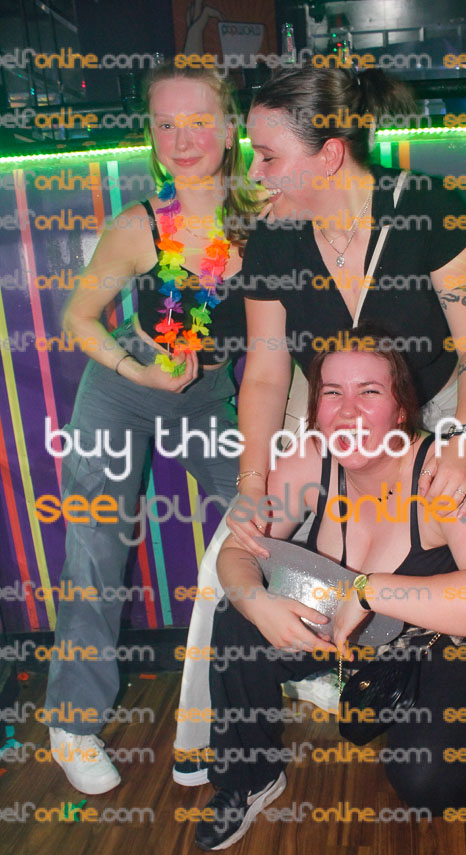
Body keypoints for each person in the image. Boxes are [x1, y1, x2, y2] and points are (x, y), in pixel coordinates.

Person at [224, 62, 466, 781]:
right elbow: (264, 372)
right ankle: (218, 751)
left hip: (440, 407)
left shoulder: (433, 207)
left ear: (329, 154)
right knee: (225, 562)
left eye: (269, 156)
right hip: (328, 408)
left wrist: (465, 441)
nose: (254, 173)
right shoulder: (274, 238)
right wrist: (252, 480)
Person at [193, 333, 466, 851]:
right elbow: (238, 550)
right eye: (332, 393)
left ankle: (445, 727)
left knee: (433, 783)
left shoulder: (443, 475)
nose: (347, 411)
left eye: (369, 392)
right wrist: (257, 604)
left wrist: (371, 589)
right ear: (315, 407)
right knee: (236, 616)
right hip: (346, 628)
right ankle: (249, 777)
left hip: (440, 640)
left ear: (401, 409)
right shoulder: (311, 458)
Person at [43, 63, 262, 795]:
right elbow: (78, 318)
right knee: (95, 551)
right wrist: (134, 373)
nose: (181, 138)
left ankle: (297, 659)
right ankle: (71, 723)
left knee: (267, 518)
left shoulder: (267, 217)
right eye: (165, 123)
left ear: (230, 128)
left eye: (197, 120)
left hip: (209, 399)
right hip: (122, 391)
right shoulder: (138, 225)